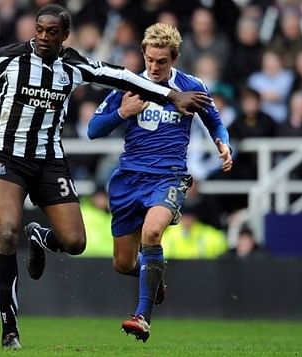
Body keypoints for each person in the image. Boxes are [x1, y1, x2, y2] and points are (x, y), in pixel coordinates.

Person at [0, 4, 210, 349]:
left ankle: (41, 237)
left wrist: (172, 95)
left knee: (75, 242)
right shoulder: (8, 58)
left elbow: (124, 76)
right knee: (5, 232)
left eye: (52, 32)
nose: (44, 38)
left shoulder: (74, 64)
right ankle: (10, 330)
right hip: (6, 158)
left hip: (49, 162)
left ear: (65, 36)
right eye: (39, 30)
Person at [88, 23, 233, 342]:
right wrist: (122, 113)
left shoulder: (191, 87)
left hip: (168, 176)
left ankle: (142, 316)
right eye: (150, 59)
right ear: (143, 54)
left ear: (175, 58)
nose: (154, 67)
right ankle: (152, 279)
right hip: (128, 180)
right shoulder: (127, 85)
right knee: (123, 264)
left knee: (152, 232)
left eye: (161, 62)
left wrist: (223, 144)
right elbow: (93, 129)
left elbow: (216, 123)